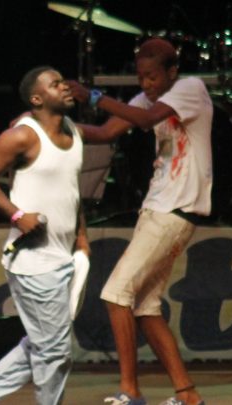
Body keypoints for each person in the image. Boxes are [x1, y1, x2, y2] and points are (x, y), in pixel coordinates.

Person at [67, 37, 211, 405]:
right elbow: (104, 133)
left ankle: (130, 391)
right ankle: (187, 395)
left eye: (152, 77)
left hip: (173, 212)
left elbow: (146, 120)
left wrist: (93, 97)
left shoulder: (190, 89)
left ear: (172, 71)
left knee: (116, 294)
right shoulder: (147, 99)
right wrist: (50, 127)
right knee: (145, 307)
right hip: (157, 210)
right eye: (141, 77)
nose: (146, 84)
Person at [0, 66, 90, 405]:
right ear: (37, 99)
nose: (65, 87)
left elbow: (72, 191)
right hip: (33, 260)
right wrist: (17, 215)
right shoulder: (22, 136)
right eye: (55, 84)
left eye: (64, 82)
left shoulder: (74, 132)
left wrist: (82, 236)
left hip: (65, 254)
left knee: (47, 343)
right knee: (55, 352)